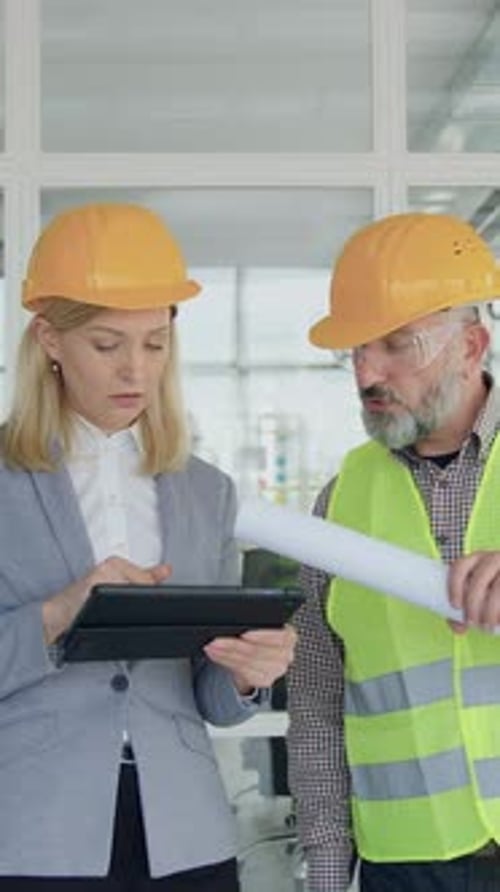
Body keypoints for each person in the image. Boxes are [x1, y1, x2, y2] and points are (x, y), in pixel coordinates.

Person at [0, 202, 296, 892]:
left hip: (185, 837)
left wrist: (248, 672)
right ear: (49, 338)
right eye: (107, 345)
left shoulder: (206, 492)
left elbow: (212, 701)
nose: (136, 369)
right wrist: (56, 614)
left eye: (155, 343)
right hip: (32, 835)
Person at [286, 211, 500, 892]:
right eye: (355, 350)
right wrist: (326, 868)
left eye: (395, 344)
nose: (366, 373)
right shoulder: (340, 501)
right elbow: (317, 701)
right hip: (404, 863)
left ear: (471, 345)